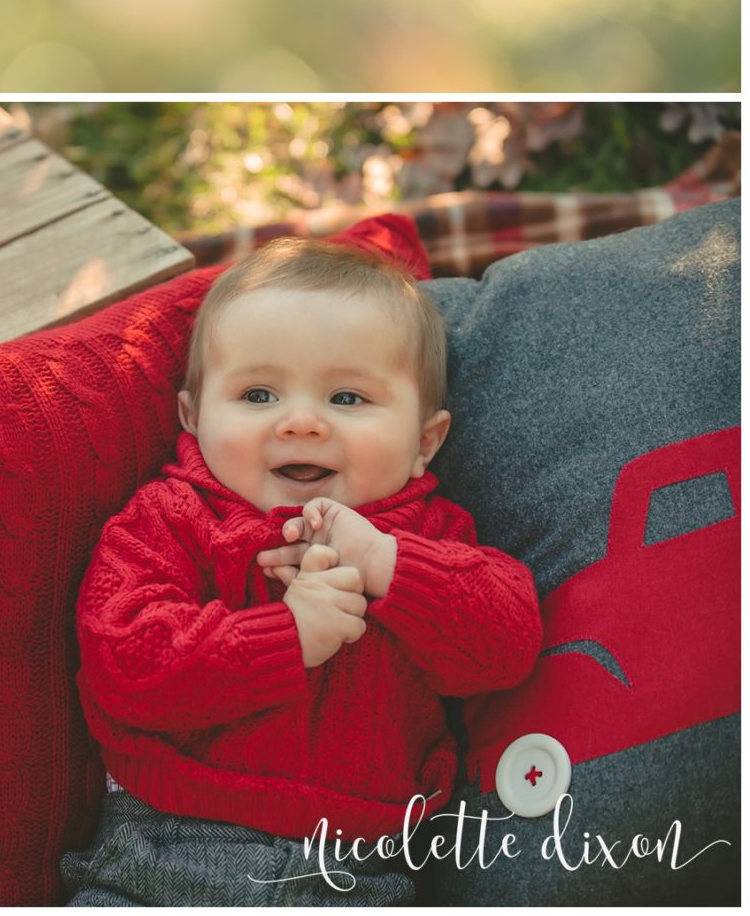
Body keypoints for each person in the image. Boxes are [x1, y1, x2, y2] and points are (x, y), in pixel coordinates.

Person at [62, 237, 541, 907]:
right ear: (195, 418)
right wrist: (284, 636)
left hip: (364, 873)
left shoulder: (430, 539)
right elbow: (125, 664)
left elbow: (506, 646)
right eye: (258, 393)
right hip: (170, 853)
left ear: (423, 443)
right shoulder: (171, 520)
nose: (303, 422)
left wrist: (385, 563)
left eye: (347, 398)